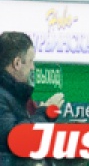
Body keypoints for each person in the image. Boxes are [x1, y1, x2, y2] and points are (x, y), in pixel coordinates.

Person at [0, 31, 63, 165]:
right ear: (17, 63)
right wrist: (44, 114)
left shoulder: (16, 95)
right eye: (31, 61)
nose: (33, 67)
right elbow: (17, 139)